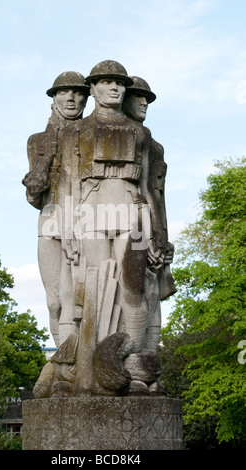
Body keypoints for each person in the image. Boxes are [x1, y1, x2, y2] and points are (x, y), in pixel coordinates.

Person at [58, 61, 167, 395]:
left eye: (119, 83)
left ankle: (133, 360)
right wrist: (66, 229)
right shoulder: (75, 131)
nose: (115, 88)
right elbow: (67, 182)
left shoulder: (140, 134)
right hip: (90, 212)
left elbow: (149, 187)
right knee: (90, 288)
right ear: (93, 88)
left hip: (132, 213)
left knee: (134, 287)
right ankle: (88, 366)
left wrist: (159, 233)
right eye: (106, 82)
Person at [22, 72, 90, 347]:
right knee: (53, 301)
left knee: (75, 294)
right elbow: (33, 196)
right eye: (65, 92)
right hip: (49, 217)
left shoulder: (91, 135)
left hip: (84, 219)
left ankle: (75, 354)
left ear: (86, 98)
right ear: (54, 98)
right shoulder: (37, 140)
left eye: (78, 93)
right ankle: (63, 355)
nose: (72, 98)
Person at [122, 76, 176, 361]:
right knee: (135, 290)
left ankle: (147, 359)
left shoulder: (155, 147)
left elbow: (157, 195)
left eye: (147, 99)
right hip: (128, 223)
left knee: (154, 296)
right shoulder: (124, 136)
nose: (144, 102)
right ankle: (132, 360)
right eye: (138, 97)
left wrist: (162, 237)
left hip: (153, 225)